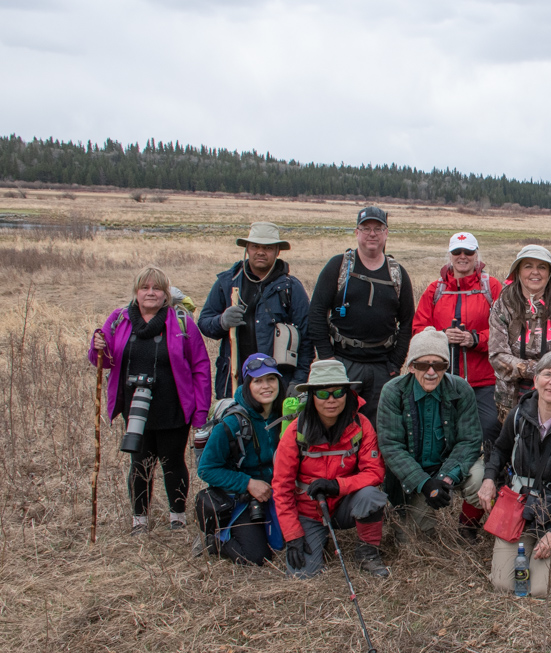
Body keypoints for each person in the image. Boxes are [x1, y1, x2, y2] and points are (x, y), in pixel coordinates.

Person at [89, 266, 211, 535]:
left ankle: (177, 516)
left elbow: (200, 367)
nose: (151, 293)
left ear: (166, 294)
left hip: (174, 406)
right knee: (139, 463)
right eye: (145, 288)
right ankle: (139, 520)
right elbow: (103, 360)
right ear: (136, 292)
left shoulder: (181, 322)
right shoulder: (119, 319)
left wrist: (200, 412)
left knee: (173, 462)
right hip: (134, 408)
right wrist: (96, 346)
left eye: (157, 288)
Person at [478, 351, 551, 598]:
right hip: (521, 507)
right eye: (547, 374)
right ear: (535, 381)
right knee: (503, 584)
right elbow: (499, 450)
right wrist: (489, 478)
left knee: (541, 589)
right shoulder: (518, 415)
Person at [272, 360, 390, 578]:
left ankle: (368, 552)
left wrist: (338, 485)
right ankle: (318, 538)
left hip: (344, 503)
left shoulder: (361, 425)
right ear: (312, 396)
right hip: (309, 511)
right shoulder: (295, 432)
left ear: (347, 393)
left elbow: (375, 472)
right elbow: (281, 487)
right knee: (302, 575)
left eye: (338, 393)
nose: (331, 400)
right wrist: (293, 534)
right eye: (322, 394)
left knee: (371, 496)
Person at [307, 206, 414, 427]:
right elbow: (316, 312)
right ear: (357, 232)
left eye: (378, 228)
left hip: (382, 367)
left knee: (380, 427)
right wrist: (327, 357)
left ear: (386, 233)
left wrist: (396, 362)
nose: (372, 234)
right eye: (366, 228)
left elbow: (407, 322)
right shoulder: (338, 266)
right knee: (339, 424)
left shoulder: (397, 273)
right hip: (343, 363)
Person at [377, 328, 486, 541]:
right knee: (416, 541)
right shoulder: (392, 392)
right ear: (411, 366)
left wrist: (445, 478)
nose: (431, 372)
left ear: (447, 366)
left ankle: (467, 526)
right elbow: (391, 447)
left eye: (439, 365)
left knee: (480, 479)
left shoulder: (461, 389)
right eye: (422, 365)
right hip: (414, 473)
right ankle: (405, 510)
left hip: (448, 464)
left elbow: (470, 440)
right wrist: (425, 484)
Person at [198, 222, 312, 399]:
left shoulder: (291, 288)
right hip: (235, 383)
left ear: (277, 251)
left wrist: (297, 381)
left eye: (267, 248)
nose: (260, 252)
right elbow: (204, 323)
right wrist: (221, 322)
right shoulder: (227, 282)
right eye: (255, 246)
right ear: (247, 249)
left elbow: (307, 339)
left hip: (277, 385)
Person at [412, 232, 502, 444]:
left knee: (489, 429)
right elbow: (418, 330)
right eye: (457, 252)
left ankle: (488, 465)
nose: (463, 256)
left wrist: (475, 339)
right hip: (440, 378)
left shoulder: (491, 287)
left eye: (468, 252)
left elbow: (505, 331)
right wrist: (441, 337)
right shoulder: (435, 290)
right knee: (442, 433)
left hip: (484, 381)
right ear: (450, 255)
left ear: (476, 254)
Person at [195, 353, 283, 565]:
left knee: (293, 541)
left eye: (271, 379)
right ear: (247, 385)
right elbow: (206, 468)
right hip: (240, 497)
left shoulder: (286, 415)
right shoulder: (233, 422)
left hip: (276, 492)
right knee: (255, 557)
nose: (266, 386)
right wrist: (248, 483)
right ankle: (215, 541)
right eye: (258, 381)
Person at [488, 244, 551, 422]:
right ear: (518, 272)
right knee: (515, 436)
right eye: (528, 266)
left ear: (550, 273)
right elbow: (497, 356)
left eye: (542, 267)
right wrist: (537, 370)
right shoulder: (503, 304)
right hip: (511, 397)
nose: (535, 272)